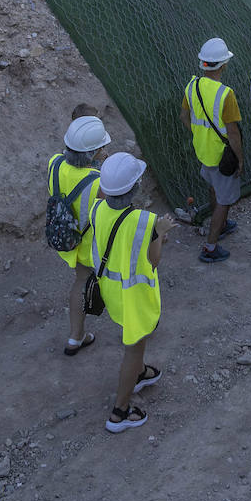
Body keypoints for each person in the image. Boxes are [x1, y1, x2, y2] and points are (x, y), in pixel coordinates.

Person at [90, 152, 174, 431]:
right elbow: (154, 260)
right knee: (134, 347)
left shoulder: (96, 208)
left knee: (132, 341)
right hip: (135, 298)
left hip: (111, 293)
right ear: (135, 187)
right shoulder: (144, 221)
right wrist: (160, 232)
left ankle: (139, 374)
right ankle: (119, 412)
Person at [47, 112, 111, 355]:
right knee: (118, 282)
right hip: (93, 247)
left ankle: (76, 337)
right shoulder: (98, 182)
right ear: (93, 153)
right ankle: (134, 330)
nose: (105, 152)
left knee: (81, 283)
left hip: (68, 238)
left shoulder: (53, 163)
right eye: (102, 148)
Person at [180, 37, 243, 262]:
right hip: (222, 157)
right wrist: (240, 159)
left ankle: (222, 226)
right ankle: (210, 246)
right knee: (224, 201)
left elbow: (184, 117)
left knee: (214, 188)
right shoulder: (226, 94)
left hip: (203, 152)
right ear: (223, 65)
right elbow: (233, 134)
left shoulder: (192, 86)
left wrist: (199, 134)